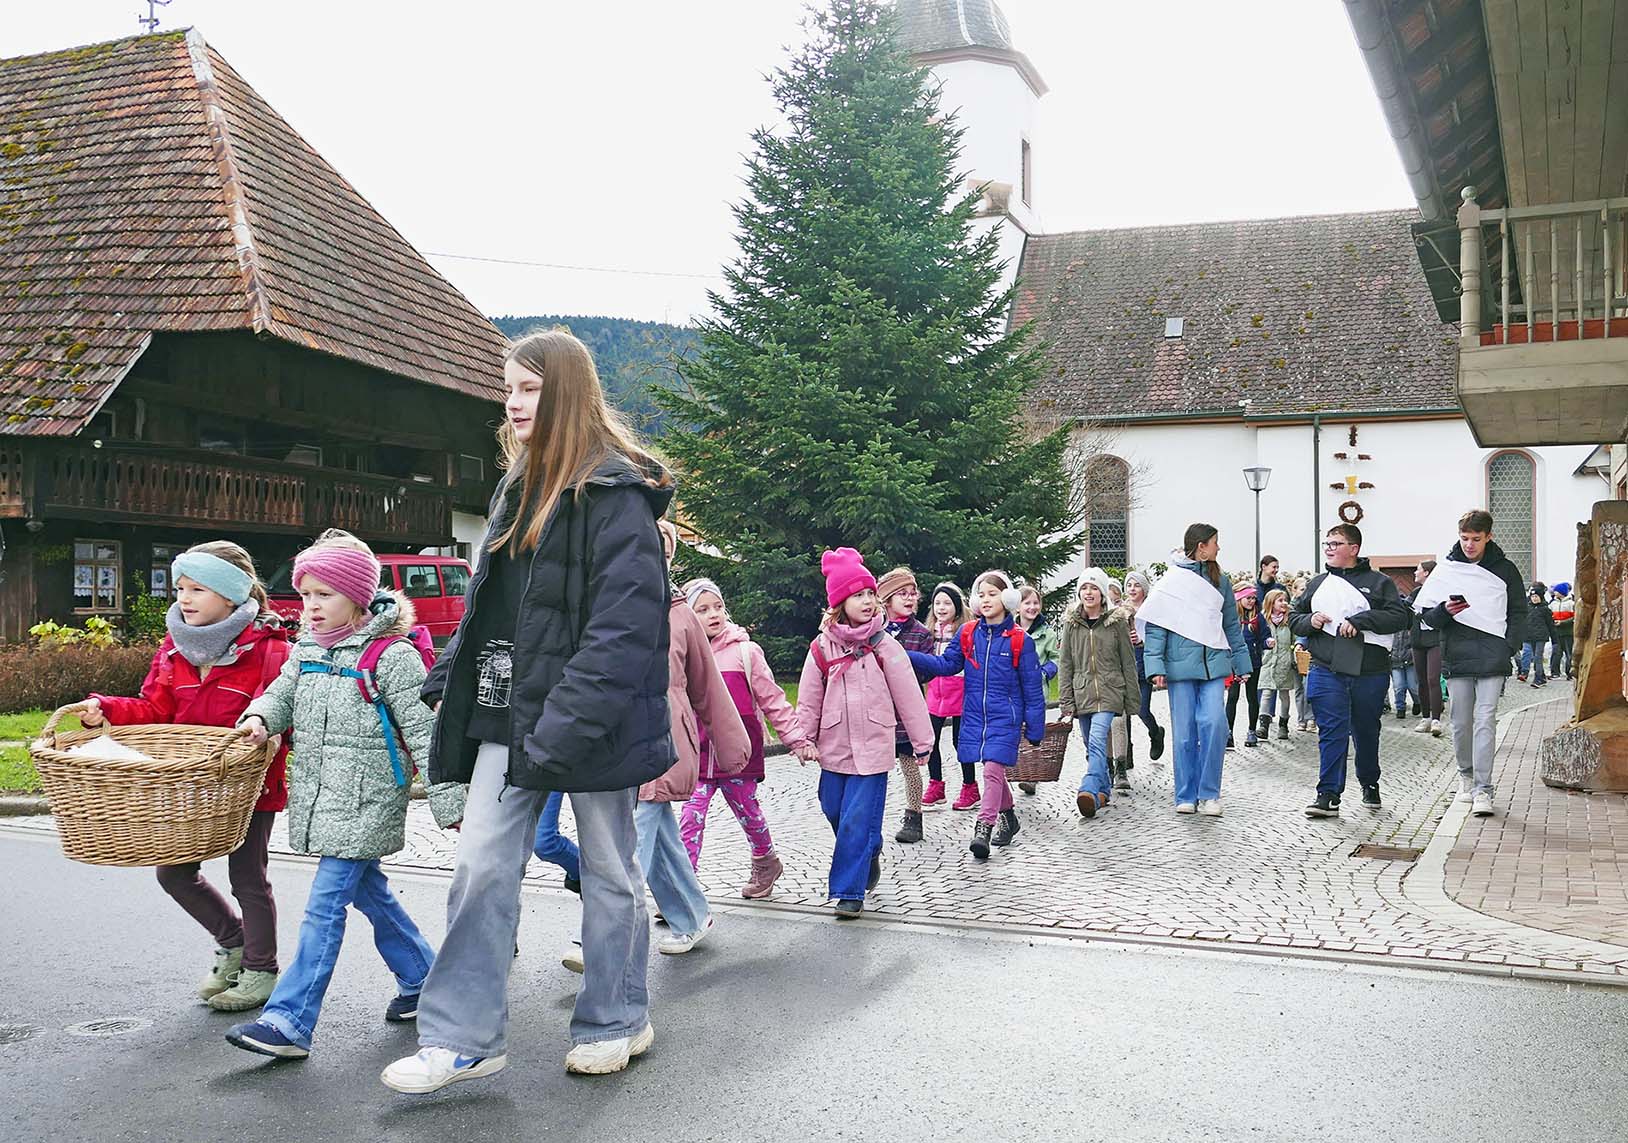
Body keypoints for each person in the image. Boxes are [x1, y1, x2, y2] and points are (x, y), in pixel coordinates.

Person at [383, 330, 675, 1092]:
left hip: (594, 720)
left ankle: (616, 1018)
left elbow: (623, 633)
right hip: (504, 714)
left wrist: (560, 729)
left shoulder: (617, 497)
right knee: (481, 865)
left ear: (568, 395)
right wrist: (448, 670)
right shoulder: (513, 488)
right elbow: (493, 608)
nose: (511, 403)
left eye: (529, 389)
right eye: (507, 388)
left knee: (611, 870)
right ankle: (463, 1037)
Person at [227, 530, 465, 1059]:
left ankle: (289, 1020)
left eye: (324, 595)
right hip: (319, 792)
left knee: (324, 905)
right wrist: (260, 719)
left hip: (368, 797)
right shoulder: (307, 646)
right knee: (369, 893)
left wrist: (452, 802)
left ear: (358, 598)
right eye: (305, 594)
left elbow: (426, 732)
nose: (310, 607)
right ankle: (423, 977)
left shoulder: (392, 655)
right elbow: (283, 692)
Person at [82, 541, 290, 1013]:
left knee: (248, 878)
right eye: (180, 588)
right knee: (173, 872)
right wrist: (107, 709)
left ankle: (261, 969)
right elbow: (156, 710)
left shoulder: (271, 650)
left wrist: (263, 734)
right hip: (188, 787)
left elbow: (283, 713)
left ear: (232, 596)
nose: (185, 598)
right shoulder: (173, 650)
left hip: (247, 786)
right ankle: (232, 941)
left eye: (198, 588)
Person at [794, 549, 932, 917]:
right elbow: (808, 697)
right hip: (835, 745)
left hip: (873, 747)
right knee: (832, 807)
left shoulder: (885, 645)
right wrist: (803, 738)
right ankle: (870, 847)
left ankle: (849, 892)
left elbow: (909, 695)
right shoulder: (821, 648)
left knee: (856, 817)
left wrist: (922, 742)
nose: (869, 601)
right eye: (859, 595)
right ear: (840, 603)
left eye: (871, 593)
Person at [636, 524, 751, 955]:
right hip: (619, 741)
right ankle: (692, 913)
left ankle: (600, 940)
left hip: (667, 742)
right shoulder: (611, 603)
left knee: (629, 839)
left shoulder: (680, 612)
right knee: (661, 836)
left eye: (663, 551)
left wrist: (732, 745)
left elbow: (708, 687)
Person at [679, 577, 806, 898]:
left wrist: (796, 739)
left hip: (739, 752)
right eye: (703, 609)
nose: (713, 614)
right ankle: (683, 891)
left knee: (749, 813)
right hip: (698, 755)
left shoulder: (745, 652)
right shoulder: (683, 652)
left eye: (718, 607)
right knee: (690, 820)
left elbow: (773, 699)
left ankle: (766, 863)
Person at [907, 570, 1046, 858]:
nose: (985, 600)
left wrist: (1035, 728)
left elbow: (1032, 689)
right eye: (981, 594)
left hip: (1005, 717)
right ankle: (1009, 817)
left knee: (992, 770)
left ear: (1007, 598)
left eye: (992, 594)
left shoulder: (1021, 640)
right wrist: (908, 656)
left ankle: (984, 826)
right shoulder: (968, 633)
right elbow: (947, 664)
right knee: (992, 772)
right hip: (975, 715)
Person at [1291, 524, 1411, 818]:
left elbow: (1400, 617)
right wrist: (1310, 621)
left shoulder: (1379, 582)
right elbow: (1294, 617)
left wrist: (1362, 620)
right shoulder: (1317, 583)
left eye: (1336, 543)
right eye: (1326, 543)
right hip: (1326, 668)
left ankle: (1370, 782)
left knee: (1366, 731)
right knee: (1332, 731)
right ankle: (1328, 794)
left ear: (1354, 549)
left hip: (1368, 670)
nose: (1329, 548)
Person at [1415, 509, 1526, 817]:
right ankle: (1466, 775)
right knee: (1461, 722)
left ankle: (1483, 789)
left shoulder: (1506, 569)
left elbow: (1518, 611)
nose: (1469, 545)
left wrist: (1509, 646)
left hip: (1494, 652)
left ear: (1488, 536)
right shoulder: (1447, 569)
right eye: (1464, 538)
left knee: (1486, 719)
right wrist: (1445, 611)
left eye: (1476, 539)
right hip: (1457, 651)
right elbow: (1427, 615)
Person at [1140, 524, 1253, 817]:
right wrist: (1155, 667)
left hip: (1214, 664)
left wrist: (1242, 664)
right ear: (1201, 546)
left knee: (1214, 724)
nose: (1218, 548)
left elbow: (1231, 624)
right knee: (1185, 734)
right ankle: (1186, 794)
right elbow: (1157, 626)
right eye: (1215, 543)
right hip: (1179, 667)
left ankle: (1210, 792)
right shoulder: (1171, 581)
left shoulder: (1221, 581)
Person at [1057, 568, 1138, 819]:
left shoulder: (1116, 623)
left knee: (1097, 739)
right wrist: (1067, 703)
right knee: (1091, 748)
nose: (1088, 592)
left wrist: (1132, 701)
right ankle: (1103, 791)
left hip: (1110, 692)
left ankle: (1089, 787)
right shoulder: (1071, 624)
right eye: (1084, 588)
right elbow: (1066, 663)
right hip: (1083, 694)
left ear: (1103, 594)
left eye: (1094, 588)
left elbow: (1128, 662)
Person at [877, 567, 935, 841]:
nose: (910, 599)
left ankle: (914, 816)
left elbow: (927, 670)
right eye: (902, 594)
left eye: (913, 594)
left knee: (910, 766)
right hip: (877, 712)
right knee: (874, 768)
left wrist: (906, 660)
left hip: (906, 714)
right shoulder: (873, 629)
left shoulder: (921, 634)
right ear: (886, 600)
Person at [920, 582, 973, 809]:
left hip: (959, 692)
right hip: (935, 693)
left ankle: (970, 787)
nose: (941, 608)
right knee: (931, 740)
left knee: (960, 742)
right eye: (937, 603)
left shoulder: (965, 631)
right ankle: (936, 785)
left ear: (957, 607)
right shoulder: (928, 632)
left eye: (947, 603)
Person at [1015, 583, 1060, 796]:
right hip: (1013, 691)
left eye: (1035, 603)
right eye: (1027, 603)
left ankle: (1031, 777)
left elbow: (1055, 658)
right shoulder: (1010, 630)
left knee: (1034, 732)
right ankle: (1015, 769)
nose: (1032, 607)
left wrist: (1044, 672)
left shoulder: (1047, 634)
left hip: (1036, 692)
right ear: (1018, 607)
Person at [1121, 570, 1167, 774]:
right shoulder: (1120, 610)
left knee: (1141, 708)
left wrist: (1142, 641)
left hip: (1144, 663)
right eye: (1129, 585)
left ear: (1144, 589)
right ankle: (1126, 754)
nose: (1132, 589)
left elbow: (1159, 638)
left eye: (1136, 585)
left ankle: (1155, 732)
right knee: (1123, 713)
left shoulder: (1152, 609)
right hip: (1124, 664)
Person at [1224, 583, 1266, 748]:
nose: (1251, 601)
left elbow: (1264, 635)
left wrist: (1267, 642)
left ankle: (1251, 731)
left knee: (1252, 697)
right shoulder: (1231, 618)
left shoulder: (1257, 618)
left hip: (1253, 662)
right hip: (1233, 663)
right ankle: (1228, 733)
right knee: (1232, 697)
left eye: (1253, 598)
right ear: (1239, 599)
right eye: (1248, 598)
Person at [1256, 588, 1297, 742]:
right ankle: (1263, 726)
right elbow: (1258, 639)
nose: (1284, 603)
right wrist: (1265, 643)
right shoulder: (1263, 620)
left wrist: (1294, 652)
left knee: (1284, 696)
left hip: (1284, 663)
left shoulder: (1289, 621)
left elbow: (1295, 640)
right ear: (1271, 603)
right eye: (1280, 600)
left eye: (1285, 600)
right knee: (1266, 694)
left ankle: (1283, 724)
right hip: (1268, 663)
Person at [1410, 560, 1445, 736]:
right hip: (1418, 639)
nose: (1415, 573)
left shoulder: (1439, 593)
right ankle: (1425, 718)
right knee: (1421, 680)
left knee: (1433, 679)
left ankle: (1437, 719)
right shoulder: (1416, 593)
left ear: (1427, 573)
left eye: (1418, 569)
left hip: (1435, 639)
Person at [1518, 582, 1555, 687]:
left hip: (1540, 637)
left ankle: (1538, 678)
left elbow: (1550, 625)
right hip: (1529, 636)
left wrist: (1555, 640)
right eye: (1533, 596)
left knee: (1537, 657)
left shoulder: (1545, 609)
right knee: (1530, 654)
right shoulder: (1528, 608)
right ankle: (1541, 676)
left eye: (1536, 596)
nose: (1534, 599)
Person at [1389, 614, 1419, 721]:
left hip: (1410, 660)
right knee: (1398, 686)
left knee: (1413, 686)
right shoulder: (1391, 628)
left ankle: (1417, 702)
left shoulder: (1411, 626)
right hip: (1395, 660)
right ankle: (1400, 708)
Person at [1549, 583, 1575, 681]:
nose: (1554, 592)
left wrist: (1562, 622)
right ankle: (1555, 672)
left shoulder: (1571, 603)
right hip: (1556, 632)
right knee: (1556, 652)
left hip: (1568, 632)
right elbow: (1549, 614)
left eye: (1556, 591)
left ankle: (1569, 672)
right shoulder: (1553, 603)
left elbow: (1574, 617)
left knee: (1569, 653)